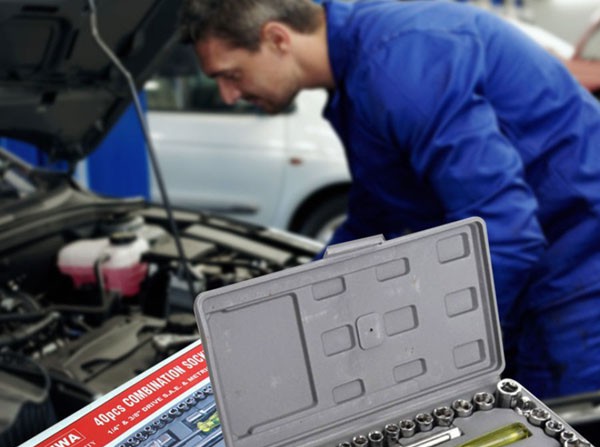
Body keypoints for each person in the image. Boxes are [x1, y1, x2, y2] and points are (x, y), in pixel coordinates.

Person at [180, 0, 600, 401]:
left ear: (277, 39)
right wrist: (293, 311)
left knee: (557, 427)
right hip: (542, 249)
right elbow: (376, 215)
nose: (227, 95)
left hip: (579, 253)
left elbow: (505, 236)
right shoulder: (359, 74)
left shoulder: (399, 66)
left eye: (231, 75)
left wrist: (444, 360)